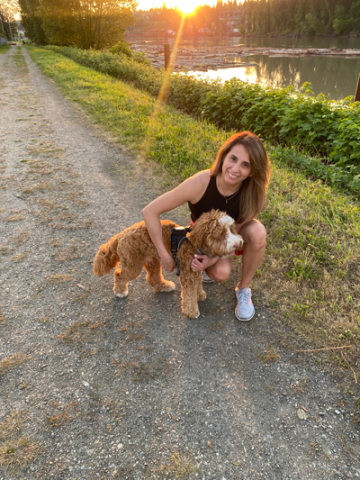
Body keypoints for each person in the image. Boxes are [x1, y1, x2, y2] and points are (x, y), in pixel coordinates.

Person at [142, 131, 271, 322]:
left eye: (245, 165)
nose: (235, 169)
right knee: (221, 273)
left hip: (229, 236)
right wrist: (164, 255)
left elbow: (235, 231)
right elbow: (150, 211)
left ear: (253, 171)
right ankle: (203, 266)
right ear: (224, 155)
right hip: (203, 236)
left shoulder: (254, 194)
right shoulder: (201, 182)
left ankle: (243, 289)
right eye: (233, 158)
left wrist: (212, 259)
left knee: (258, 232)